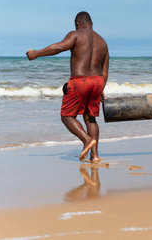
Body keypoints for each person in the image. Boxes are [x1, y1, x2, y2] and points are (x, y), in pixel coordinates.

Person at [26, 12, 109, 162]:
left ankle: (86, 140)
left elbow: (59, 47)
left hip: (80, 81)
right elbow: (104, 70)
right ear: (91, 23)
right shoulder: (102, 42)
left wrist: (36, 53)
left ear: (78, 23)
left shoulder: (76, 34)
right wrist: (101, 88)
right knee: (90, 119)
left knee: (66, 116)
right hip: (97, 82)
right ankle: (95, 156)